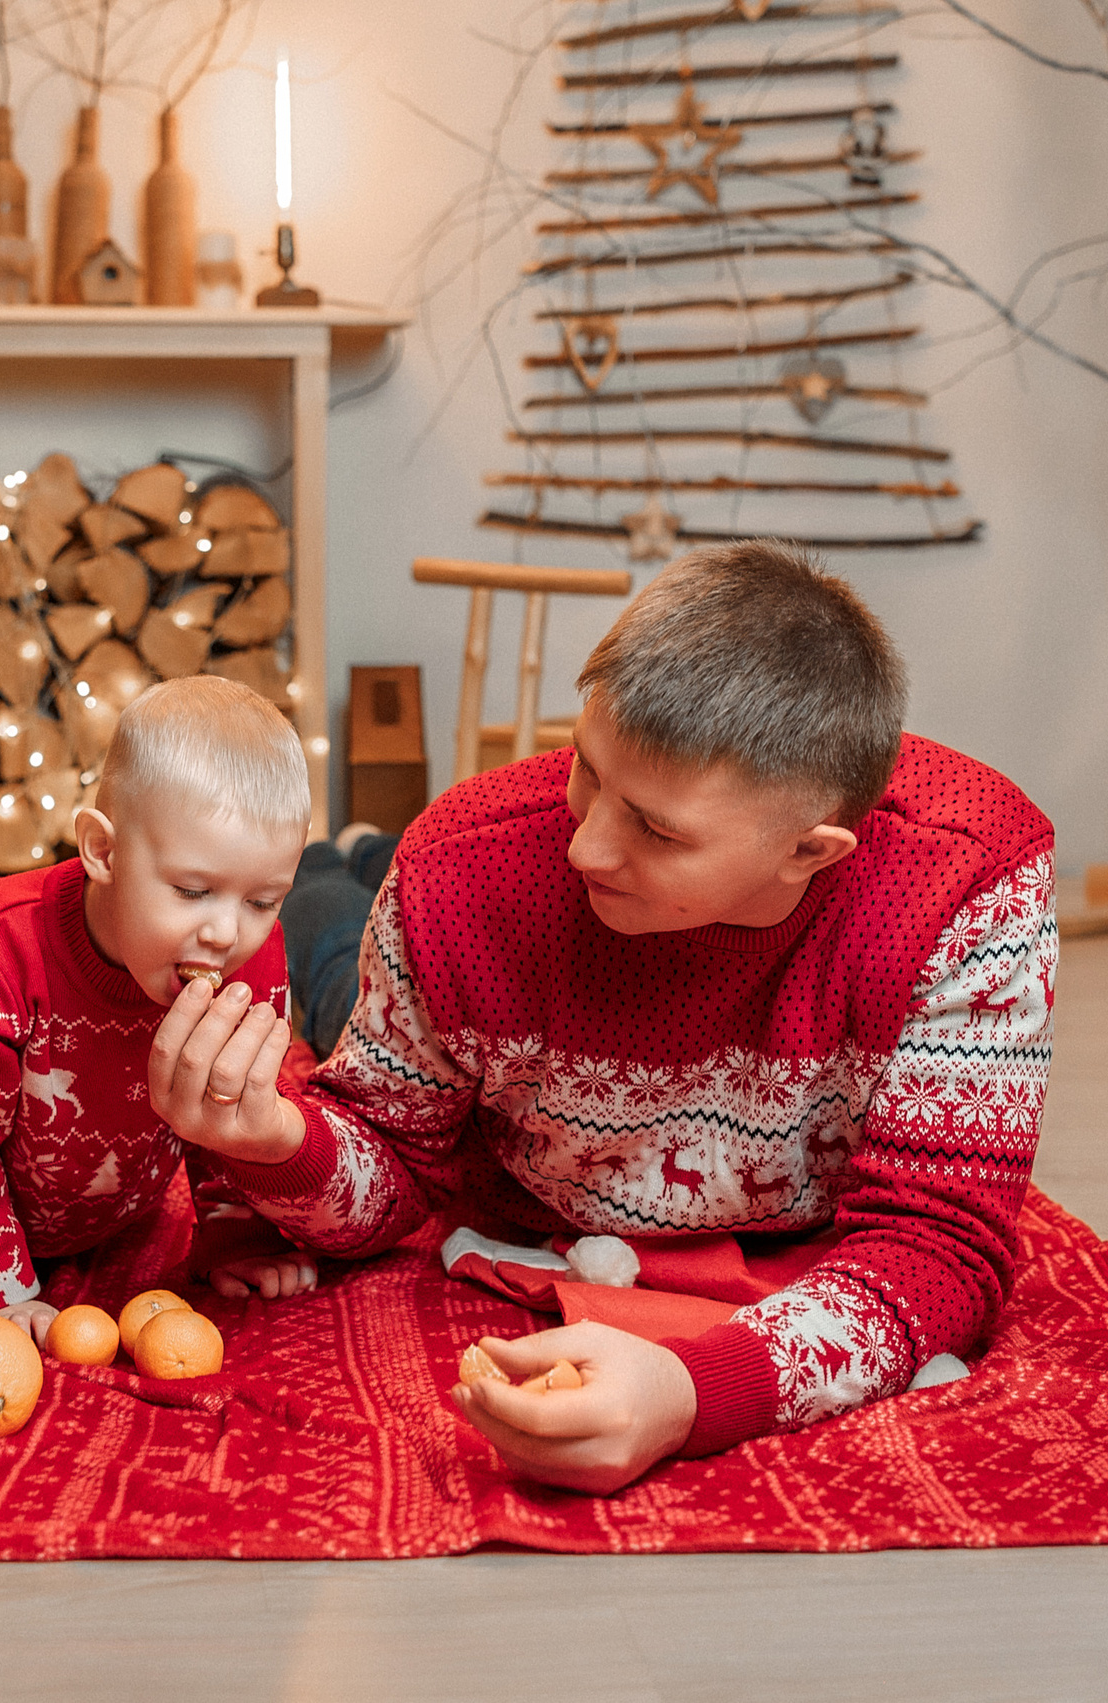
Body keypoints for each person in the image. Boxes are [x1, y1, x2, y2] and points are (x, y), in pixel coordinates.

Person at [148, 541, 1057, 1493]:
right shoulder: (461, 866)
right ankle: (338, 878)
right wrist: (275, 1143)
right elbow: (394, 1166)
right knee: (329, 953)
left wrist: (695, 1390)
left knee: (358, 931)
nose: (586, 845)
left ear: (811, 851)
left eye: (657, 830)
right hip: (442, 950)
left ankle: (350, 867)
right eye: (585, 770)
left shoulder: (969, 884)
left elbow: (941, 1245)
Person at [0, 676, 322, 1346]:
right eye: (192, 889)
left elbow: (239, 1103)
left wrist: (234, 1233)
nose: (226, 932)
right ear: (103, 850)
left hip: (118, 1225)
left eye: (262, 899)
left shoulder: (251, 954)